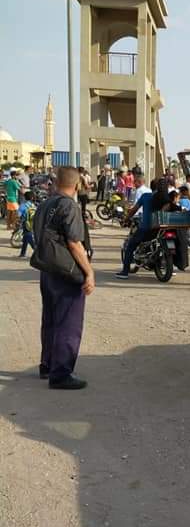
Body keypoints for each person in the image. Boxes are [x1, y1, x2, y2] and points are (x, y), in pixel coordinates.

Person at [33, 166, 95, 389]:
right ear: (77, 184)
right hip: (66, 272)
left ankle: (47, 365)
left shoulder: (45, 204)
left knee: (50, 319)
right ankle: (60, 374)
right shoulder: (69, 206)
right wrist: (89, 272)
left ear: (56, 182)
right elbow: (74, 243)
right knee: (68, 323)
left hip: (47, 270)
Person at [115, 179, 169, 279]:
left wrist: (126, 219)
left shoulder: (146, 196)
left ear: (151, 187)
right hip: (162, 229)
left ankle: (125, 272)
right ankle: (168, 267)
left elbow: (134, 210)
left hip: (146, 228)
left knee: (130, 246)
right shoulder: (166, 198)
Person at [17, 190, 36, 259]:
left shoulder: (23, 205)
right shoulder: (33, 205)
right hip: (32, 223)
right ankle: (22, 254)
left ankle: (37, 251)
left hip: (25, 223)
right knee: (25, 239)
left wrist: (17, 222)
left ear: (24, 197)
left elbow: (18, 215)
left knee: (29, 237)